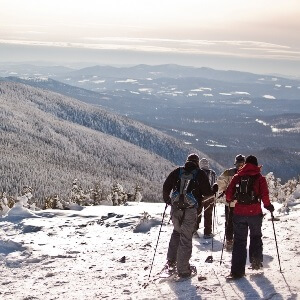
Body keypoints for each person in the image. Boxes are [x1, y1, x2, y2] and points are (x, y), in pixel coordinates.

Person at [163, 153, 213, 277]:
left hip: (175, 209)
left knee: (176, 233)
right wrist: (214, 189)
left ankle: (171, 262)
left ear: (187, 161)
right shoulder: (200, 174)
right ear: (197, 163)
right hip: (190, 210)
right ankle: (183, 269)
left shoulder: (178, 171)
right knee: (186, 237)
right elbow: (207, 192)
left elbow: (166, 186)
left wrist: (168, 200)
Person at [225, 155, 274, 279]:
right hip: (255, 213)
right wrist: (268, 206)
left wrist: (233, 200)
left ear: (245, 164)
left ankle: (237, 272)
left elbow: (229, 196)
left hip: (239, 213)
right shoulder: (260, 178)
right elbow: (265, 195)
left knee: (239, 242)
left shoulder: (237, 177)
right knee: (256, 236)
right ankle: (256, 261)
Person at [217, 154, 245, 251]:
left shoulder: (228, 172)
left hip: (230, 202)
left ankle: (229, 241)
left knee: (229, 222)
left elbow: (220, 183)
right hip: (243, 203)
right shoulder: (248, 173)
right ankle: (239, 242)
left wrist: (224, 190)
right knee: (241, 223)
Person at [195, 158, 218, 238]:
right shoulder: (213, 173)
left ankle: (194, 230)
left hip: (199, 196)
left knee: (198, 213)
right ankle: (207, 232)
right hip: (210, 196)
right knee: (208, 214)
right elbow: (215, 184)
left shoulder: (198, 173)